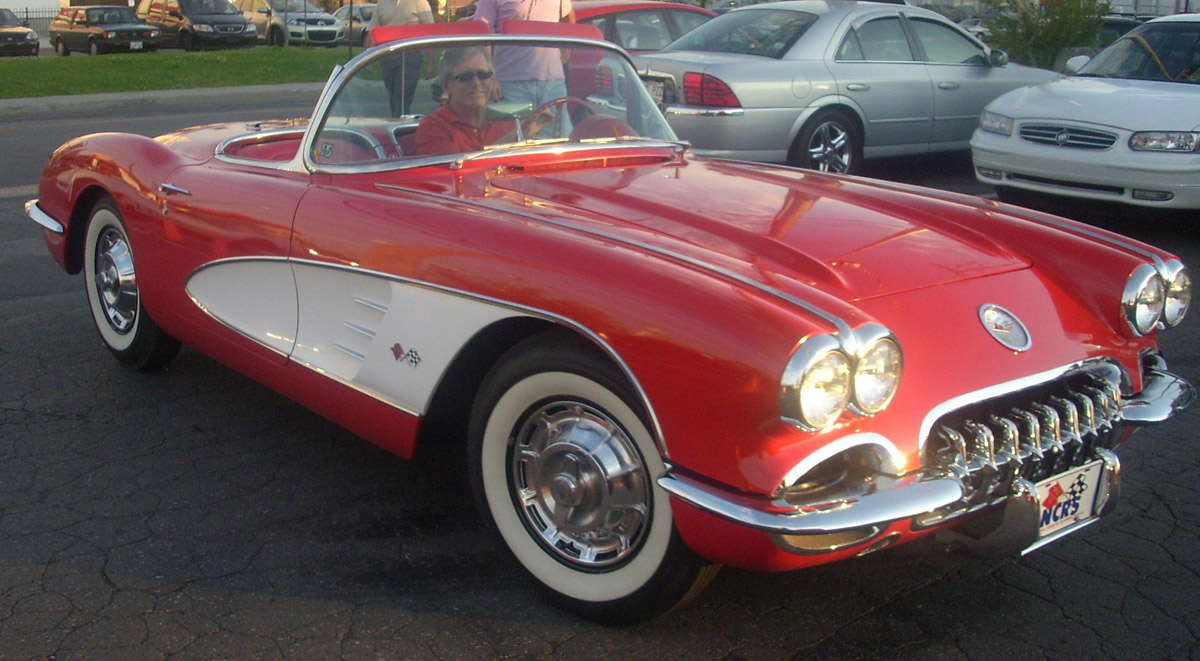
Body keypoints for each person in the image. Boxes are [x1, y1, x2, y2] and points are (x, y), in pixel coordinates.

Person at [416, 47, 554, 156]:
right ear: (446, 86)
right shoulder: (433, 126)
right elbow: (455, 172)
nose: (476, 83)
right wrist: (518, 136)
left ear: (493, 80)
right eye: (465, 77)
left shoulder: (507, 120)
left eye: (483, 75)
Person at [471, 0, 574, 134]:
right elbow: (482, 33)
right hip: (510, 83)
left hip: (553, 82)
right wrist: (489, 75)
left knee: (560, 142)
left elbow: (568, 15)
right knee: (512, 141)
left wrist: (566, 50)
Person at [366, 0, 434, 116]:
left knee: (402, 95)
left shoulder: (419, 2)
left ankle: (400, 121)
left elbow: (430, 33)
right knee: (393, 95)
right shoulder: (382, 4)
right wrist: (368, 59)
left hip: (410, 56)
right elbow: (372, 32)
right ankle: (396, 119)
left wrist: (430, 63)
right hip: (388, 56)